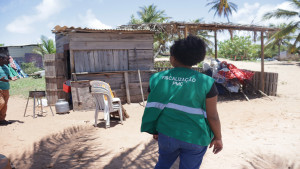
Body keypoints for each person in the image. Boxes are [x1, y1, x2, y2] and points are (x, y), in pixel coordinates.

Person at [141, 35, 223, 169]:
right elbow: (213, 116)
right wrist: (218, 137)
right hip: (196, 137)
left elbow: (153, 108)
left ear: (172, 58)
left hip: (166, 134)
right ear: (197, 58)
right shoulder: (206, 82)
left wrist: (155, 130)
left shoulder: (156, 78)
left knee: (163, 164)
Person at [0, 54, 17, 125]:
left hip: (6, 88)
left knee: (5, 105)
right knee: (1, 103)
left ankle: (2, 120)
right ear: (0, 59)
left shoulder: (6, 67)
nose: (7, 60)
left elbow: (8, 76)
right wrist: (1, 80)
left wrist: (11, 78)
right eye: (5, 59)